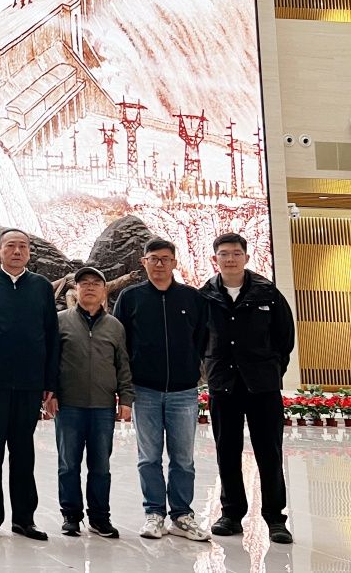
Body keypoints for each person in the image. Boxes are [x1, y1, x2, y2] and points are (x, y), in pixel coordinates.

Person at [0, 228, 59, 541]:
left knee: (23, 452)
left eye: (22, 247)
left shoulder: (41, 286)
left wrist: (49, 381)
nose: (17, 251)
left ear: (29, 252)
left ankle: (24, 519)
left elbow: (51, 335)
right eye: (11, 246)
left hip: (30, 382)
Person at [112, 237, 209, 542]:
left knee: (183, 458)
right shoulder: (130, 297)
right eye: (153, 259)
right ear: (144, 263)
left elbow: (201, 339)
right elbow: (120, 343)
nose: (159, 264)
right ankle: (154, 513)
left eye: (165, 259)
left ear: (174, 263)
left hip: (183, 392)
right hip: (145, 390)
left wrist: (190, 367)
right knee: (149, 457)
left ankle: (181, 515)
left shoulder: (192, 298)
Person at [201, 233, 295, 544]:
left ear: (246, 257)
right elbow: (198, 340)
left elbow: (284, 338)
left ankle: (275, 518)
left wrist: (271, 369)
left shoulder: (268, 293)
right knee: (227, 450)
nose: (230, 259)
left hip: (262, 387)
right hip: (223, 385)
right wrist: (211, 369)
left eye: (236, 253)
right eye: (224, 254)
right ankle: (231, 514)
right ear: (215, 259)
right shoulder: (205, 296)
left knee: (269, 452)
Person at [46, 267, 133, 539]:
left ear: (104, 290)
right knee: (68, 464)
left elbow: (123, 365)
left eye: (96, 283)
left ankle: (99, 517)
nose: (91, 287)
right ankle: (71, 515)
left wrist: (126, 399)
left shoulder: (115, 326)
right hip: (68, 405)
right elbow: (50, 361)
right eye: (85, 283)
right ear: (77, 289)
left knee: (101, 466)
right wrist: (51, 393)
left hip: (102, 407)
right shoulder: (60, 321)